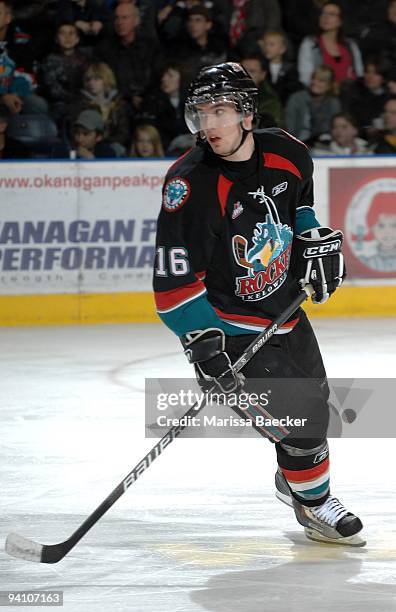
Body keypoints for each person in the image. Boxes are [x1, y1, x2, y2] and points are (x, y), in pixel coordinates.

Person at [153, 61, 365, 547]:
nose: (210, 125)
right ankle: (313, 507)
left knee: (316, 413)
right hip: (228, 329)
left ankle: (296, 477)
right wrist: (205, 344)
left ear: (247, 113)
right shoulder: (190, 185)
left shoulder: (288, 152)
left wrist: (312, 241)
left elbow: (301, 206)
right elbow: (173, 282)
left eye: (221, 110)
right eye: (201, 113)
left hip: (285, 313)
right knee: (304, 428)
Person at [297, 1, 363, 88]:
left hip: (350, 94)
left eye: (331, 14)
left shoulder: (351, 45)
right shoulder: (310, 43)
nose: (325, 17)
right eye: (323, 13)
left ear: (340, 21)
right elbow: (305, 78)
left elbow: (359, 74)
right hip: (322, 96)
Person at [38, 22, 90, 125]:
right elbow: (53, 90)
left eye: (71, 33)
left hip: (83, 101)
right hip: (59, 104)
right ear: (57, 39)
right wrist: (74, 99)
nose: (67, 37)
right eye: (63, 33)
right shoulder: (50, 60)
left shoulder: (85, 59)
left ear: (77, 39)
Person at [70, 62, 131, 149]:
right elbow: (75, 130)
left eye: (96, 79)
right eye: (88, 79)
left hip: (112, 147)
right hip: (87, 146)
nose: (91, 83)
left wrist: (105, 144)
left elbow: (123, 132)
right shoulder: (80, 104)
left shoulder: (118, 103)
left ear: (106, 80)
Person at [285, 65, 341, 144]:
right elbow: (290, 128)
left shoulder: (333, 103)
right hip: (298, 144)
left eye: (321, 81)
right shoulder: (296, 99)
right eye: (313, 78)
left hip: (325, 145)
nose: (314, 82)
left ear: (329, 85)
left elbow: (334, 130)